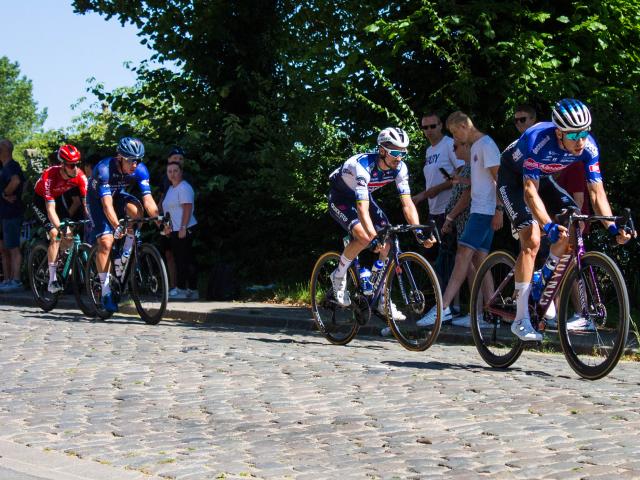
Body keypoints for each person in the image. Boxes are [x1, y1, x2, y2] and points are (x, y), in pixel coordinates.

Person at [498, 98, 635, 341]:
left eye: (584, 132)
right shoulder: (537, 140)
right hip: (514, 178)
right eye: (574, 135)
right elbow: (530, 191)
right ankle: (520, 320)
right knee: (532, 240)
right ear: (559, 133)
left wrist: (613, 227)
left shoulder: (589, 147)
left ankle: (542, 278)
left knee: (575, 224)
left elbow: (596, 192)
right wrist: (547, 225)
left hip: (544, 177)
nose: (580, 140)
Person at [327, 127, 436, 320]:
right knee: (364, 236)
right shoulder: (363, 166)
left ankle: (383, 298)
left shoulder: (400, 168)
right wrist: (371, 236)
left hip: (364, 198)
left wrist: (418, 232)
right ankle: (338, 275)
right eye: (395, 152)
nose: (399, 157)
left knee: (388, 241)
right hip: (341, 198)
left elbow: (407, 203)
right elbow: (361, 209)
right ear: (382, 150)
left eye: (403, 152)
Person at [417, 112, 503, 327]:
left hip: (483, 210)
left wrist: (500, 209)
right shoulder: (476, 147)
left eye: (455, 133)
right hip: (479, 208)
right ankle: (491, 312)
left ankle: (443, 307)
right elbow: (477, 181)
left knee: (462, 255)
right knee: (480, 261)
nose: (455, 139)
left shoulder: (486, 145)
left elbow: (499, 178)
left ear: (465, 126)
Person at [86, 137, 160, 312]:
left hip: (117, 195)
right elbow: (106, 206)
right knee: (106, 242)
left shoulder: (140, 170)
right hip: (97, 201)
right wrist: (116, 226)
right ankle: (105, 292)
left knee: (137, 211)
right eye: (130, 160)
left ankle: (125, 253)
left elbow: (148, 200)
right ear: (120, 157)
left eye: (138, 160)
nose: (134, 165)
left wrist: (159, 220)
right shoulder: (103, 170)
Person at [32, 145, 88, 293]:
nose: (75, 167)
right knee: (55, 234)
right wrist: (59, 228)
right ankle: (51, 280)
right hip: (41, 202)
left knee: (69, 235)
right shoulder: (49, 175)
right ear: (62, 164)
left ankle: (60, 261)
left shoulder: (80, 176)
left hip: (57, 201)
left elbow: (86, 204)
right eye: (71, 165)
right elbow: (50, 209)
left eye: (78, 163)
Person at [162, 161, 198, 300]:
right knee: (179, 259)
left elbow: (187, 208)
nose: (172, 174)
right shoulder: (171, 189)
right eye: (169, 171)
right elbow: (168, 211)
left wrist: (183, 227)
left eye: (175, 171)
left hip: (186, 228)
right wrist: (167, 226)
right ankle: (185, 289)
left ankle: (186, 290)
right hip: (174, 230)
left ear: (181, 172)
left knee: (185, 260)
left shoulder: (184, 187)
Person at [158, 147, 187, 292]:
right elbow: (162, 198)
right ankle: (172, 286)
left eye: (181, 159)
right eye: (176, 158)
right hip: (165, 220)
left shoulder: (185, 179)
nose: (179, 161)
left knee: (179, 254)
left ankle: (183, 287)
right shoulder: (165, 178)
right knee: (168, 253)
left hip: (179, 222)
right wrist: (159, 218)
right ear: (169, 161)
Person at [0, 139, 26, 292]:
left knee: (13, 247)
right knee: (5, 248)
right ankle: (8, 279)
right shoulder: (5, 166)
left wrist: (5, 193)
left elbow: (16, 181)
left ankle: (15, 280)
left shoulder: (11, 166)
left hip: (11, 213)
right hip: (5, 213)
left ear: (4, 150)